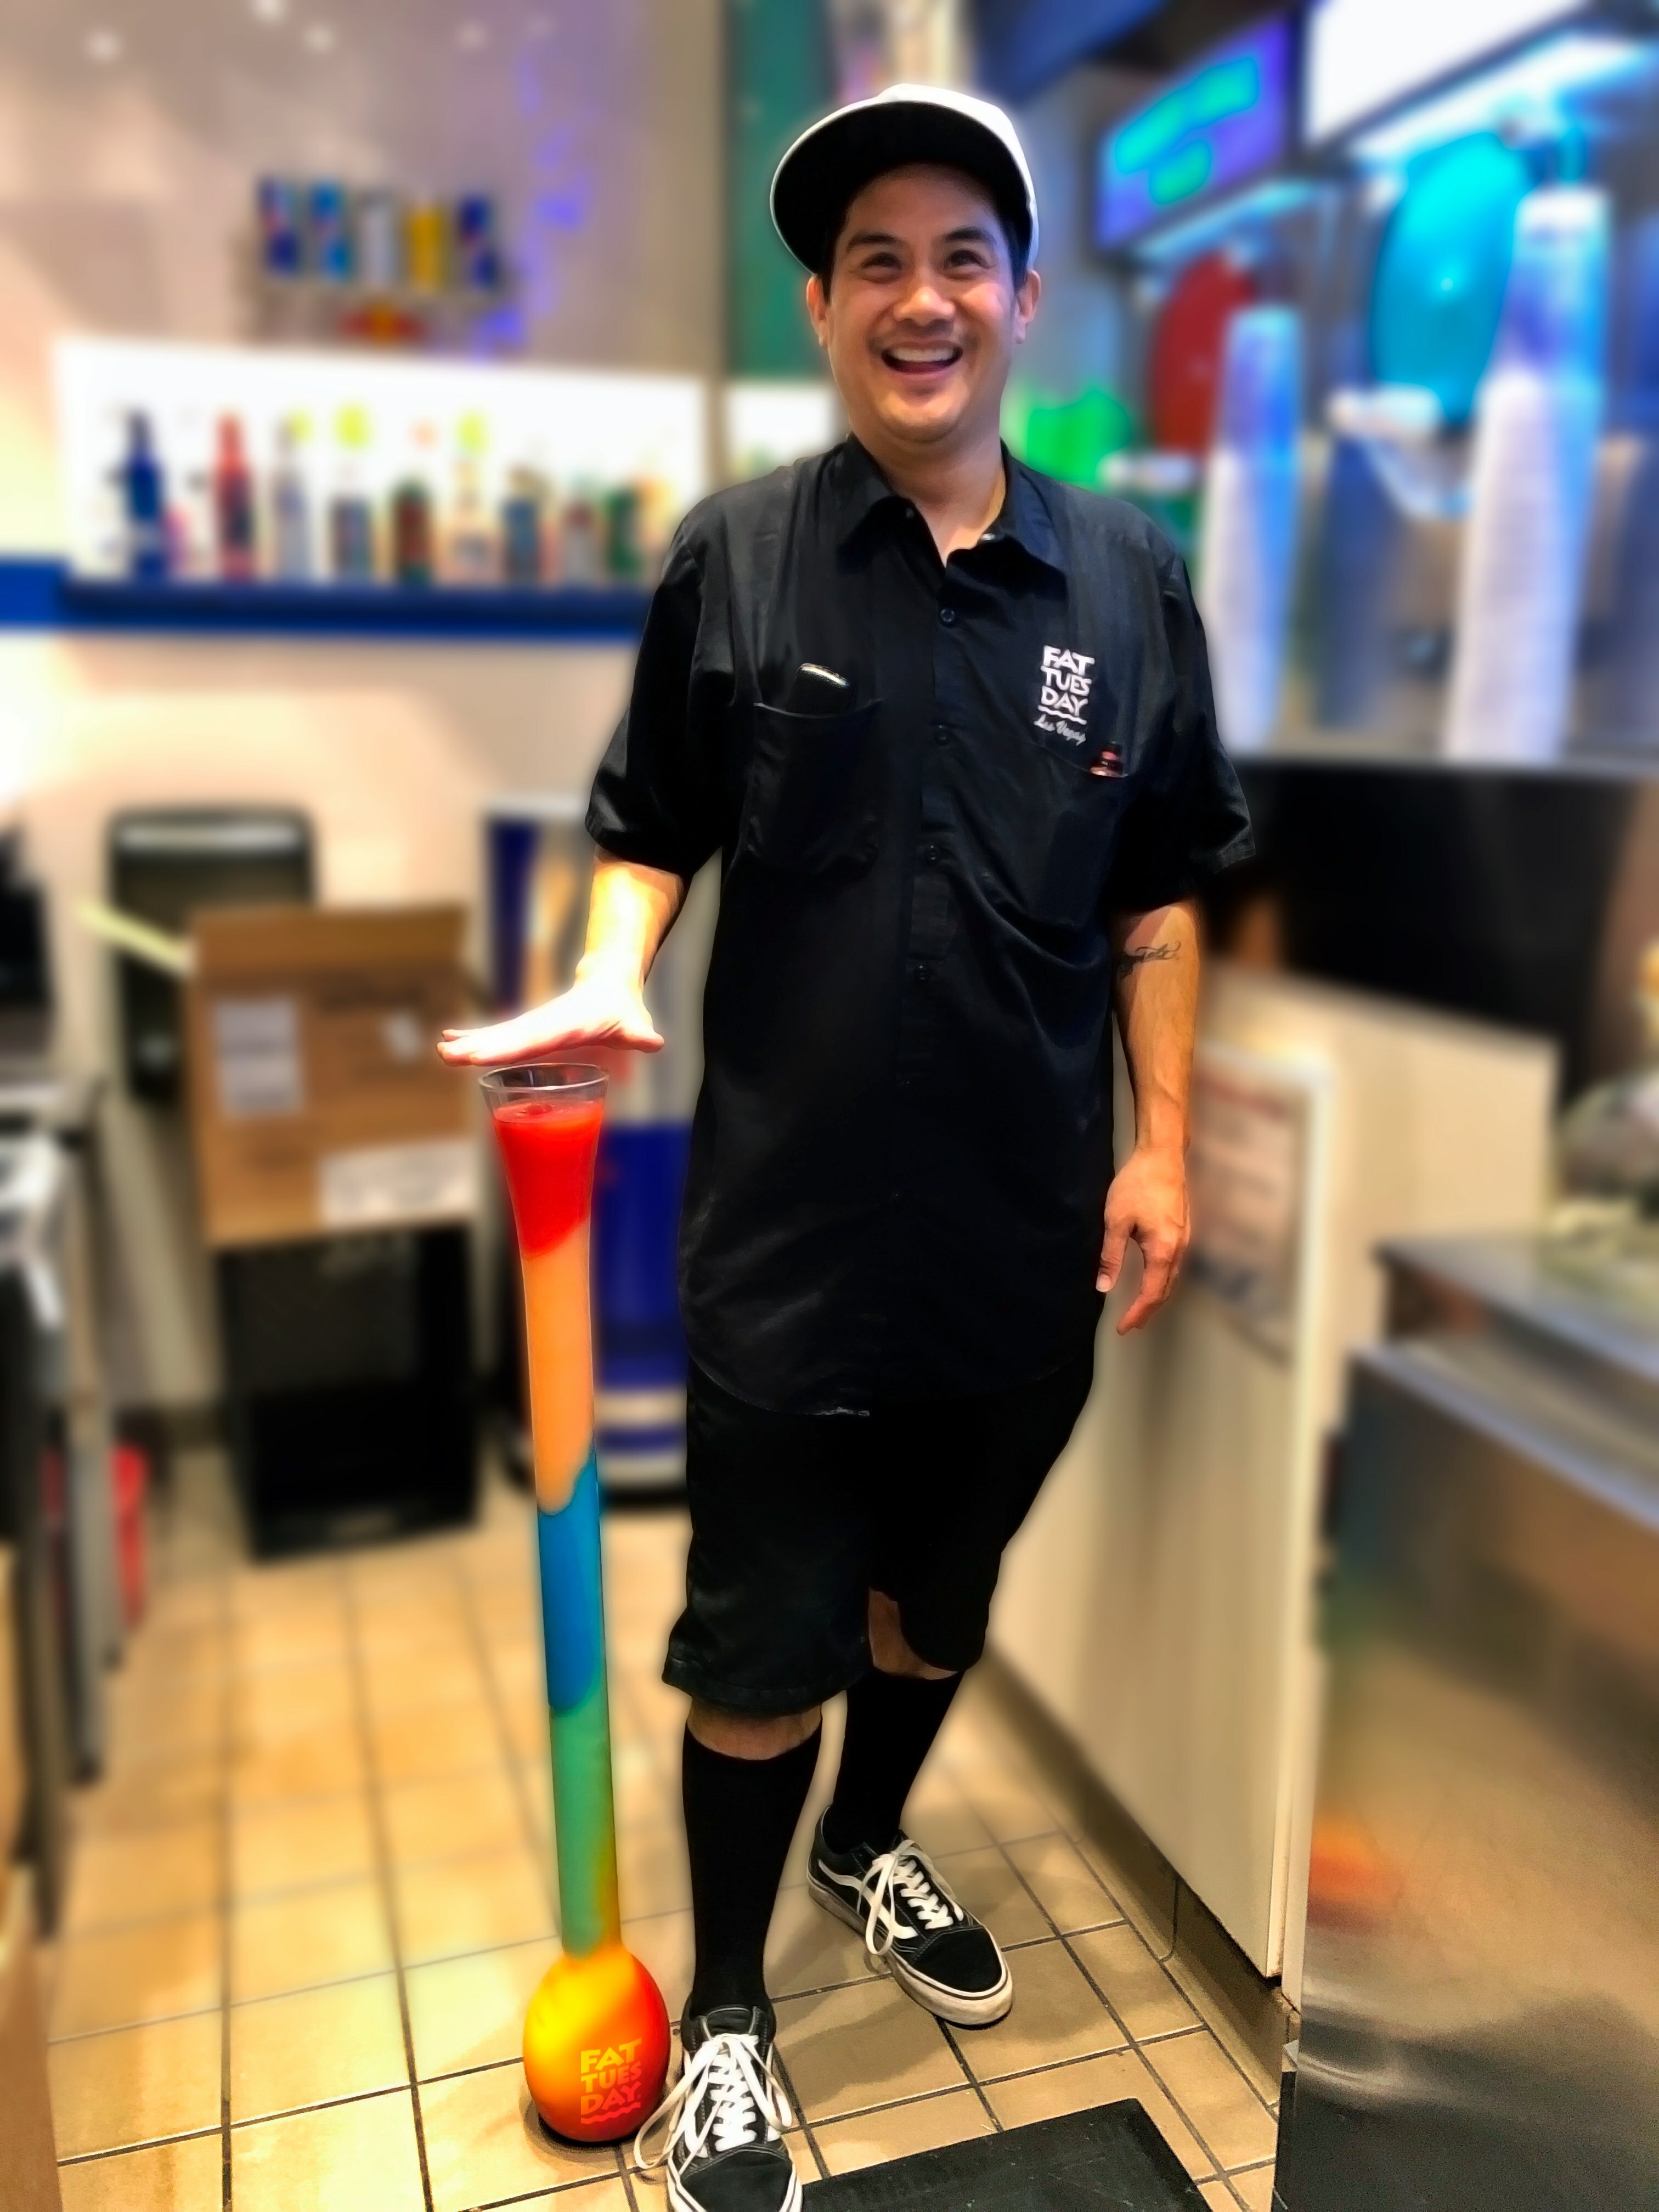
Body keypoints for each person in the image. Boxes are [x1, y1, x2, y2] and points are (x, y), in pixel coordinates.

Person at [441, 81, 1251, 2212]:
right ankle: (728, 2011)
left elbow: (1160, 895)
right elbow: (649, 827)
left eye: (961, 256)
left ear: (1023, 297)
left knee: (933, 1610)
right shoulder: (740, 557)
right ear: (821, 306)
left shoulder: (1128, 582)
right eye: (874, 260)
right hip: (790, 1245)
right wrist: (608, 966)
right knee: (760, 1650)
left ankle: (871, 1844)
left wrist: (1161, 1146)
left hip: (1016, 1239)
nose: (920, 298)